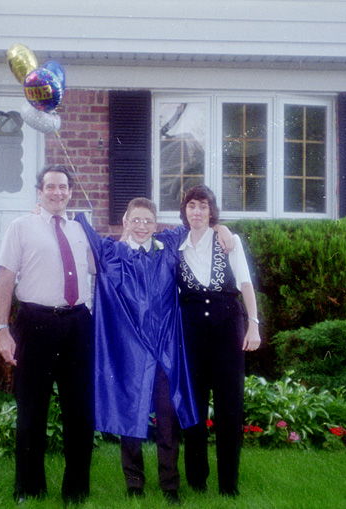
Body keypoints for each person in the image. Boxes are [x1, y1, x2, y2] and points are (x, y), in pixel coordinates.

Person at [76, 197, 233, 505]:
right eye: (135, 220)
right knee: (130, 416)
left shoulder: (168, 246)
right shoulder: (111, 252)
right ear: (125, 222)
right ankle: (134, 480)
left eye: (148, 221)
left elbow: (195, 222)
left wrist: (220, 225)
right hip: (130, 353)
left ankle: (169, 484)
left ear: (156, 224)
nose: (142, 226)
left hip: (164, 352)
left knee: (167, 417)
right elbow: (84, 243)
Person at [0, 164, 95, 505]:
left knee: (80, 411)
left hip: (78, 323)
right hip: (35, 323)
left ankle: (76, 492)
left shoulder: (82, 229)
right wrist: (2, 330)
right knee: (32, 410)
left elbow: (112, 258)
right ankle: (29, 488)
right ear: (40, 191)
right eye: (50, 186)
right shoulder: (20, 227)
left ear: (70, 191)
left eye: (63, 186)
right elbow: (5, 278)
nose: (57, 192)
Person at [175, 185, 261, 497]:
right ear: (184, 211)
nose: (196, 211)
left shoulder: (228, 240)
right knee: (194, 407)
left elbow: (246, 283)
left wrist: (254, 325)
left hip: (228, 328)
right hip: (192, 334)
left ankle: (229, 485)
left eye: (203, 206)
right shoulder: (176, 245)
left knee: (229, 407)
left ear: (212, 211)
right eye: (191, 206)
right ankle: (197, 481)